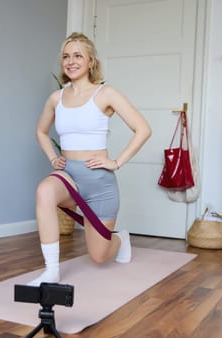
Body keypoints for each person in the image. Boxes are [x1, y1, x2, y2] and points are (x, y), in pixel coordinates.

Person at [30, 32, 151, 286]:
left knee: (99, 256)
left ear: (91, 61)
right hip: (68, 175)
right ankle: (51, 271)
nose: (71, 61)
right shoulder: (57, 98)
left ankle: (121, 239)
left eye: (77, 56)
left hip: (99, 184)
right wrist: (53, 158)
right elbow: (41, 131)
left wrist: (116, 162)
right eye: (66, 56)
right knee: (44, 191)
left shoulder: (106, 93)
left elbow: (143, 129)